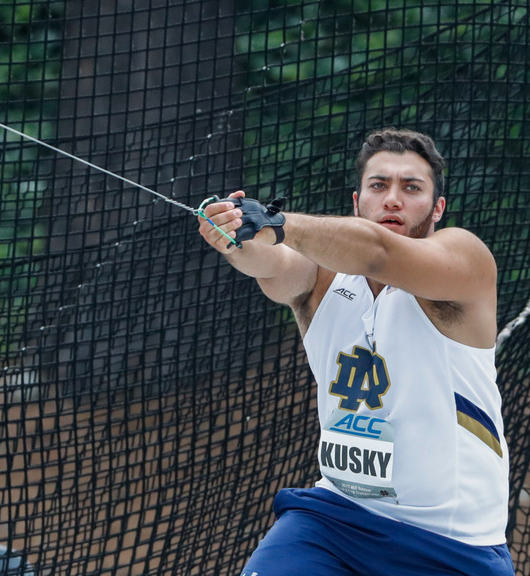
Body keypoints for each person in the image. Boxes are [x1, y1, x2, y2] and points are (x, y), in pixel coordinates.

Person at [197, 128, 514, 575]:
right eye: (379, 185)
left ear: (438, 208)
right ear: (356, 201)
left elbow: (377, 252)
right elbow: (270, 264)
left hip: (450, 544)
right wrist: (236, 233)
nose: (392, 200)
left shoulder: (464, 260)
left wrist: (278, 223)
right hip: (335, 521)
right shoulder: (322, 278)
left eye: (412, 188)